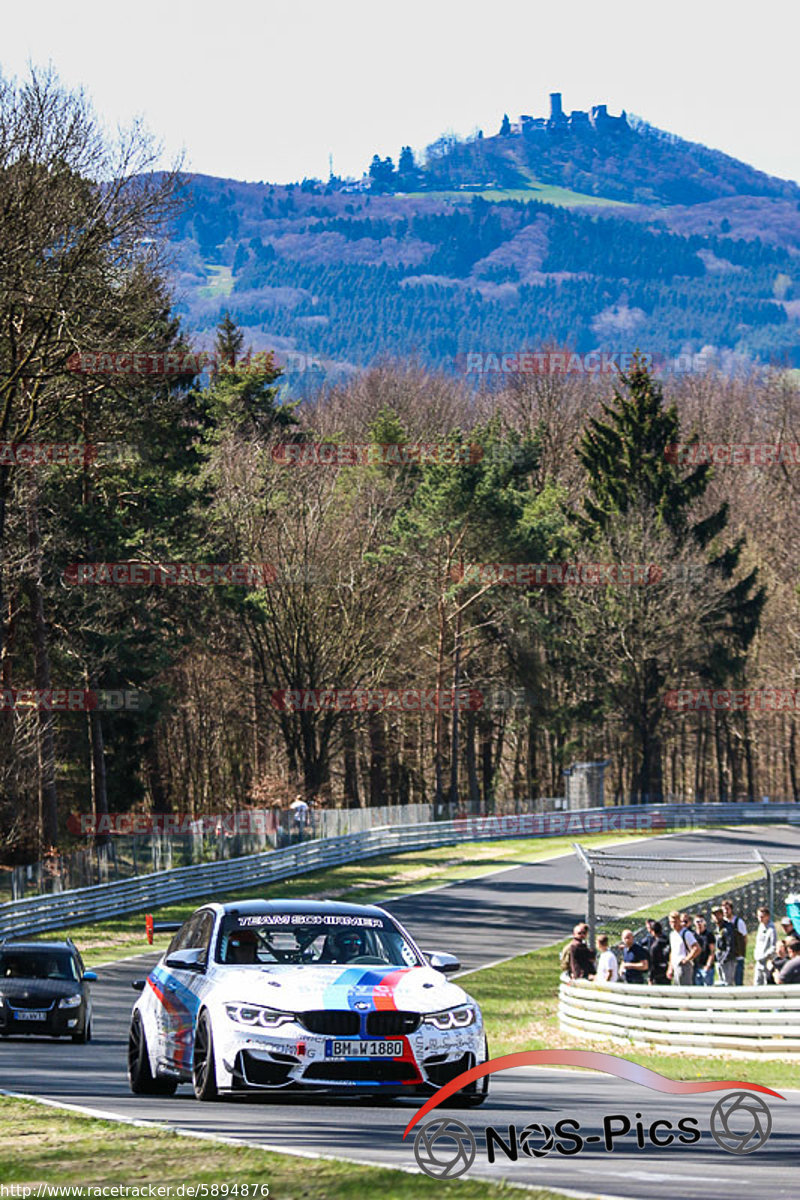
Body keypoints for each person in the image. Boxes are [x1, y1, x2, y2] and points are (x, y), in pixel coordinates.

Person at [667, 909, 699, 986]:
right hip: (675, 965)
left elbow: (696, 948)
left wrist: (686, 959)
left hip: (684, 965)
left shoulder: (686, 933)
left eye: (675, 922)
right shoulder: (672, 934)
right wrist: (670, 967)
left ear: (679, 921)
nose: (673, 924)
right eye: (671, 922)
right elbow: (673, 951)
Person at [722, 899, 747, 986]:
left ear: (731, 909)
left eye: (727, 909)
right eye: (723, 909)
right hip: (727, 958)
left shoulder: (739, 922)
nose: (725, 911)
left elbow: (744, 939)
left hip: (737, 957)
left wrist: (740, 952)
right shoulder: (722, 924)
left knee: (738, 981)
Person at [711, 906, 736, 986]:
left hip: (727, 960)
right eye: (714, 915)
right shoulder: (717, 928)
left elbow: (730, 946)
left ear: (722, 915)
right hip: (718, 959)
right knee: (721, 983)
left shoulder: (728, 928)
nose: (716, 917)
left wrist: (724, 959)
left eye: (718, 914)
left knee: (727, 983)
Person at [753, 906, 776, 986]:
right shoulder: (760, 927)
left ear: (767, 916)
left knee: (766, 982)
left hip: (766, 961)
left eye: (762, 917)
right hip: (758, 960)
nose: (760, 919)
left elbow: (773, 947)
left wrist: (764, 956)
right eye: (759, 916)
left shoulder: (771, 930)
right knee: (757, 982)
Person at [643, 919, 670, 985]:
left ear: (652, 931)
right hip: (666, 970)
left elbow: (653, 963)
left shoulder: (654, 947)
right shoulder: (667, 941)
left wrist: (650, 978)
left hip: (657, 973)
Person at [692, 914, 716, 986]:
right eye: (697, 921)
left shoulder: (709, 935)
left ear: (704, 922)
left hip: (707, 967)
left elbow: (712, 951)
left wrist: (708, 965)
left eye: (701, 921)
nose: (699, 923)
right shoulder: (692, 935)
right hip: (696, 967)